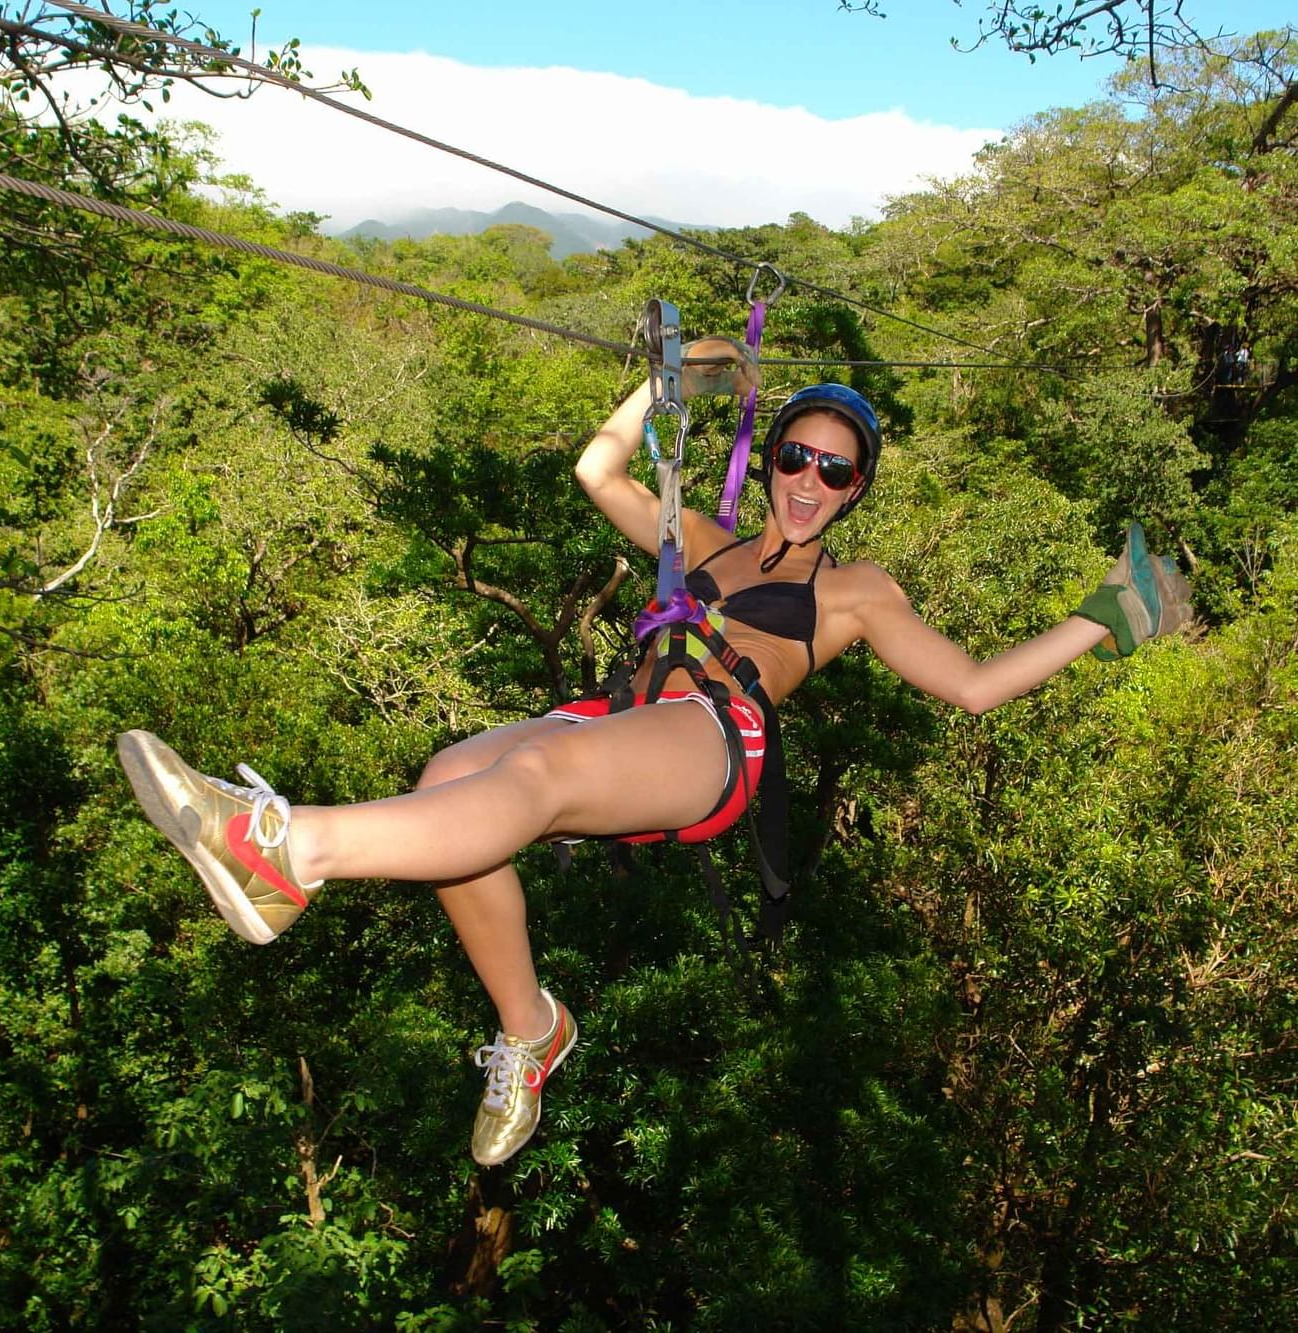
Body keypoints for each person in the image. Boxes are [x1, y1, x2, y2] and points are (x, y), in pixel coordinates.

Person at [117, 344, 1193, 1167]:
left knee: (530, 784)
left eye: (836, 469)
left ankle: (288, 848)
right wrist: (675, 372)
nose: (808, 480)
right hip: (631, 711)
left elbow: (972, 685)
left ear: (859, 486)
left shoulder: (856, 591)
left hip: (717, 741)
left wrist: (1109, 613)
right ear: (769, 458)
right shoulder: (708, 539)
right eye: (794, 457)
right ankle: (531, 1030)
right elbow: (598, 468)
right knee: (453, 771)